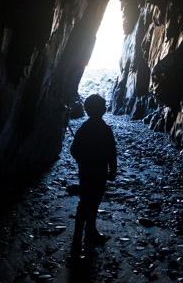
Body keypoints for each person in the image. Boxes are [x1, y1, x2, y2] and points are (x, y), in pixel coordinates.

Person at [70, 94, 117, 257]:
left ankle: (79, 238)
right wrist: (113, 170)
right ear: (102, 110)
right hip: (99, 171)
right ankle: (89, 232)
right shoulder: (105, 129)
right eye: (103, 106)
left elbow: (74, 149)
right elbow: (112, 152)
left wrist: (83, 160)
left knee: (84, 202)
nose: (105, 108)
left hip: (86, 171)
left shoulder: (84, 129)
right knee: (94, 201)